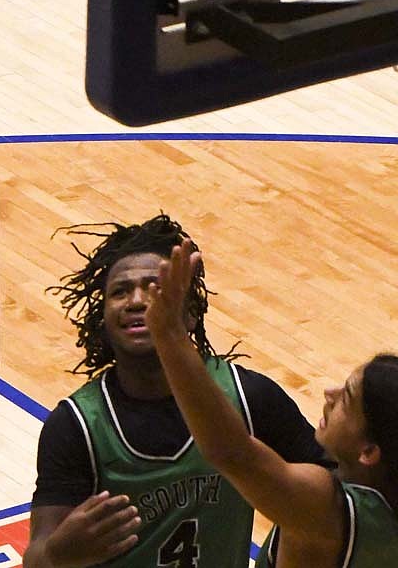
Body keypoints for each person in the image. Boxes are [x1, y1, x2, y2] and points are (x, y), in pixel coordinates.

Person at [23, 213, 331, 568]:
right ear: (104, 320)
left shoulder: (249, 397)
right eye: (120, 291)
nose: (136, 301)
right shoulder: (76, 425)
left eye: (155, 288)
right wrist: (58, 554)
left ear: (190, 313)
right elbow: (36, 558)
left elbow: (338, 498)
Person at [145, 238, 398, 567]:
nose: (330, 394)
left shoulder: (325, 511)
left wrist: (170, 336)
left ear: (369, 452)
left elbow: (232, 453)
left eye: (347, 398)